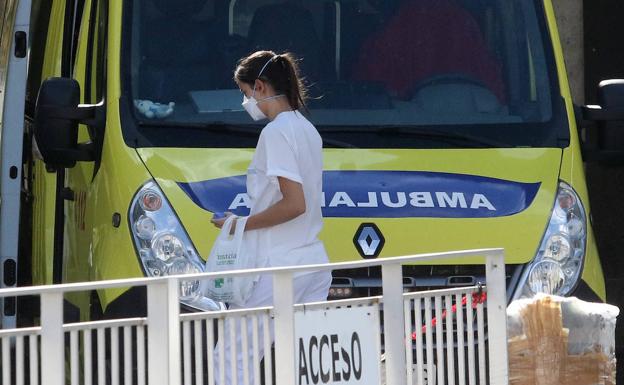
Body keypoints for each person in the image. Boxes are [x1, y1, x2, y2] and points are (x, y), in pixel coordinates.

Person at [210, 50, 332, 385]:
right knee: (310, 366)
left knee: (233, 359)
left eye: (246, 93)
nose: (246, 101)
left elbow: (294, 204)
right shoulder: (307, 129)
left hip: (277, 265)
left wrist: (238, 224)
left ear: (260, 86)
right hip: (312, 261)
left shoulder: (276, 132)